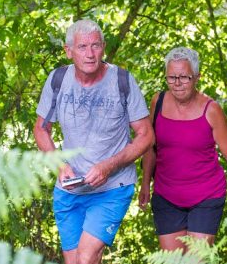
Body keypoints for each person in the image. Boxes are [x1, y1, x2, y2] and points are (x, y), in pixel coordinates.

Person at [34, 19, 154, 264]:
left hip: (112, 187)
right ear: (69, 51)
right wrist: (59, 165)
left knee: (86, 258)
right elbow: (41, 129)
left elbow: (146, 135)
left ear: (103, 47)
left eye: (95, 46)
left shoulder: (122, 80)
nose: (90, 54)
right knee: (74, 261)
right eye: (82, 47)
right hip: (70, 187)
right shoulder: (57, 80)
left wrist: (108, 166)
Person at [138, 47, 227, 251]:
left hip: (206, 196)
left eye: (184, 77)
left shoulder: (211, 110)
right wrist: (144, 184)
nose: (177, 84)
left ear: (196, 77)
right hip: (166, 195)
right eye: (171, 77)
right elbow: (149, 147)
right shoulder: (157, 101)